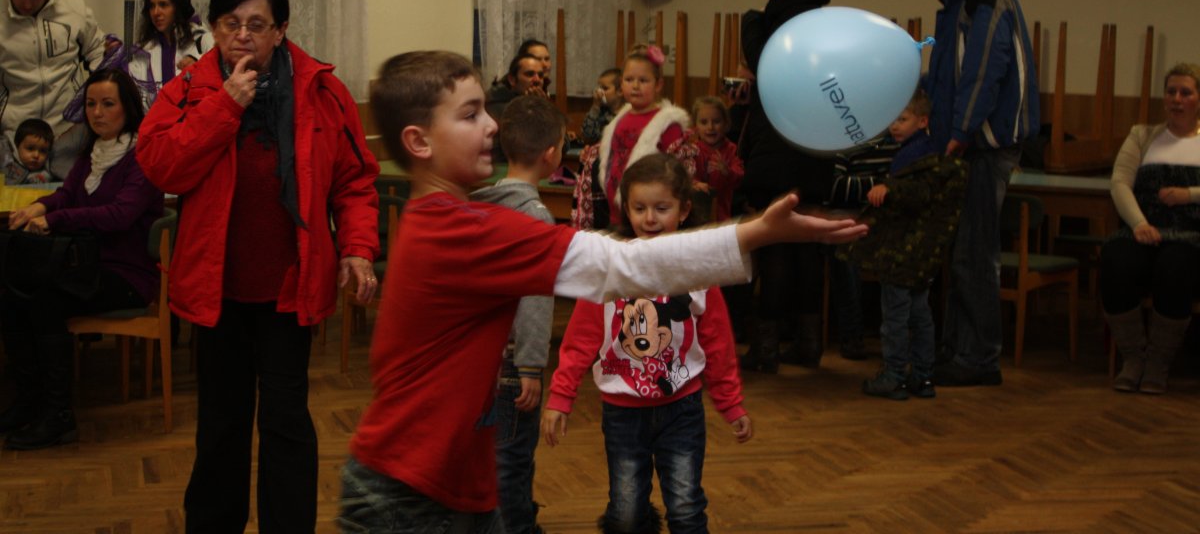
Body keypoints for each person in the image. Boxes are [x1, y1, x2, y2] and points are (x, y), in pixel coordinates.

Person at [337, 50, 867, 533]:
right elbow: (625, 265)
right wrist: (757, 233)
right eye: (471, 114)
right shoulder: (463, 230)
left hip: (442, 479)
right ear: (419, 142)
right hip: (411, 492)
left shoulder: (449, 219)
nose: (493, 124)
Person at [136, 0, 380, 533]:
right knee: (220, 424)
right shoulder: (191, 87)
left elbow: (354, 182)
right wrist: (224, 107)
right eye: (230, 24)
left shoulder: (322, 90)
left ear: (280, 30)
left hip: (290, 288)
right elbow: (160, 167)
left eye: (256, 24)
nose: (242, 35)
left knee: (286, 421)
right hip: (217, 288)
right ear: (214, 27)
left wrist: (358, 248)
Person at [543, 153, 751, 534]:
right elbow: (581, 338)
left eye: (661, 208)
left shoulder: (698, 271)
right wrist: (561, 395)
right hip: (622, 411)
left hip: (682, 408)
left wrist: (730, 401)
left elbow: (718, 342)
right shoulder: (610, 268)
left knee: (686, 509)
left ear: (683, 210)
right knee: (625, 513)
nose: (650, 218)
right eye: (639, 208)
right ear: (627, 210)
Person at [0, 69, 164, 450]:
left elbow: (119, 215)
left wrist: (55, 219)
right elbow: (68, 194)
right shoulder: (93, 152)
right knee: (12, 294)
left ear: (128, 108)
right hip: (87, 265)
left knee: (44, 299)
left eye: (108, 104)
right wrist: (40, 205)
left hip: (127, 275)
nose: (97, 113)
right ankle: (28, 401)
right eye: (91, 104)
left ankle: (58, 414)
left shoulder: (143, 155)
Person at [925, 0, 1039, 387]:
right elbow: (948, 73)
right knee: (964, 252)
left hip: (984, 144)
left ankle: (978, 358)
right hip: (968, 143)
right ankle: (958, 350)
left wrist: (961, 130)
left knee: (975, 252)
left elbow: (984, 70)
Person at [470, 95, 567, 534]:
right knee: (511, 458)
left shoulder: (480, 204)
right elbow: (535, 297)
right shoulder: (536, 219)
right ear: (551, 155)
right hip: (511, 364)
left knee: (487, 453)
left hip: (475, 357)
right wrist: (530, 364)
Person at [738, 0, 836, 372]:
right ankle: (808, 345)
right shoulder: (823, 21)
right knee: (806, 248)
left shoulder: (764, 21)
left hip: (777, 145)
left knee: (776, 247)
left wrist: (752, 27)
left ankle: (765, 351)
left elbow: (765, 67)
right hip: (815, 143)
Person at [838, 90, 968, 400]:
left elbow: (916, 193)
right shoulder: (927, 151)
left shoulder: (914, 157)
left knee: (895, 316)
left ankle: (894, 375)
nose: (894, 126)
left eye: (903, 119)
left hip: (902, 250)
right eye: (893, 119)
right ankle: (922, 376)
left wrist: (889, 188)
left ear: (922, 121)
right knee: (920, 313)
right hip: (921, 253)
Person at [1101, 63, 1200, 394]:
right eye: (1171, 92)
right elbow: (1119, 183)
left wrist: (1189, 195)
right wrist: (1139, 223)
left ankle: (1159, 362)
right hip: (1143, 230)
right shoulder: (1142, 135)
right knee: (1116, 259)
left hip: (1190, 237)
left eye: (1185, 92)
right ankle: (1133, 358)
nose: (1177, 99)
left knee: (1175, 267)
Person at [0, 0, 115, 179]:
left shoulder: (74, 9)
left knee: (69, 194)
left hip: (68, 129)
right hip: (16, 134)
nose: (27, 4)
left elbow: (97, 52)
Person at [574, 44, 689, 231]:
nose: (635, 86)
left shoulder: (666, 124)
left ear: (658, 84)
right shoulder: (618, 120)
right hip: (615, 212)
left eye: (643, 80)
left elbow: (675, 171)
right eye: (629, 80)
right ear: (621, 84)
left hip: (648, 216)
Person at [826, 132, 901, 360]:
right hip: (851, 218)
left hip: (888, 222)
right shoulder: (846, 142)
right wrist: (879, 183)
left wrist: (884, 186)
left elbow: (903, 185)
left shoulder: (898, 143)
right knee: (843, 249)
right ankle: (852, 336)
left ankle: (896, 340)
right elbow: (835, 187)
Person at [127, 0, 213, 109]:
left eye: (163, 5)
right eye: (152, 6)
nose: (156, 12)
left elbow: (221, 81)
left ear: (178, 7)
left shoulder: (203, 40)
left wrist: (198, 67)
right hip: (157, 121)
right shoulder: (144, 52)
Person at [668, 95, 744, 224]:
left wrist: (727, 171)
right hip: (693, 217)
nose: (710, 127)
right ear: (695, 126)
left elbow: (740, 177)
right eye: (704, 122)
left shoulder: (731, 150)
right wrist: (694, 183)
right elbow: (680, 177)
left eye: (716, 121)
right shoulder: (690, 150)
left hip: (722, 217)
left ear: (726, 124)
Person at [486, 53, 546, 124]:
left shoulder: (540, 101)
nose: (537, 80)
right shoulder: (497, 108)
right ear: (512, 80)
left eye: (540, 75)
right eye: (529, 74)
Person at [2, 117, 55, 184]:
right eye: (30, 148)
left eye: (43, 151)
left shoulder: (47, 173)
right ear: (17, 146)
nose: (36, 155)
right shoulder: (5, 157)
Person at [581, 67, 623, 145]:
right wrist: (595, 106)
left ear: (620, 91)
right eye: (599, 88)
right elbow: (587, 135)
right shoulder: (600, 112)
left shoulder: (627, 112)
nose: (599, 92)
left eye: (605, 88)